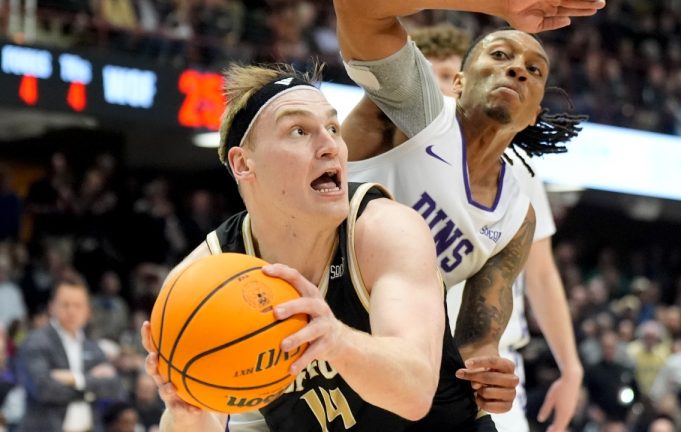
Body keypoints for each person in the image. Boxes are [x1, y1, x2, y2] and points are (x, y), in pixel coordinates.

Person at [142, 63, 507, 431]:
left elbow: (415, 392)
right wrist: (189, 410)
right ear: (243, 163)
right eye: (299, 131)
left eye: (333, 127)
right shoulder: (205, 276)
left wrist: (335, 339)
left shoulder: (383, 230)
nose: (330, 145)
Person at [336, 0, 599, 414]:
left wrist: (488, 382)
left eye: (534, 70)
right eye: (499, 56)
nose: (517, 70)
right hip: (302, 317)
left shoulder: (516, 216)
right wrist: (498, 5)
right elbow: (358, 7)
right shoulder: (419, 111)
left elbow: (475, 348)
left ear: (534, 115)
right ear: (456, 82)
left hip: (384, 374)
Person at [407, 23, 584, 432]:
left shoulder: (517, 177)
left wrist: (570, 367)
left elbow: (540, 273)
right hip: (395, 348)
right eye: (428, 78)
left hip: (481, 365)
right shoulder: (396, 141)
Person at [16, 272, 124, 432]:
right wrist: (90, 390)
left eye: (78, 305)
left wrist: (76, 379)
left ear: (87, 310)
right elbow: (43, 388)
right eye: (65, 304)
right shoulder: (35, 342)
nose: (71, 311)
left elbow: (114, 387)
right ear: (51, 306)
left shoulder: (93, 348)